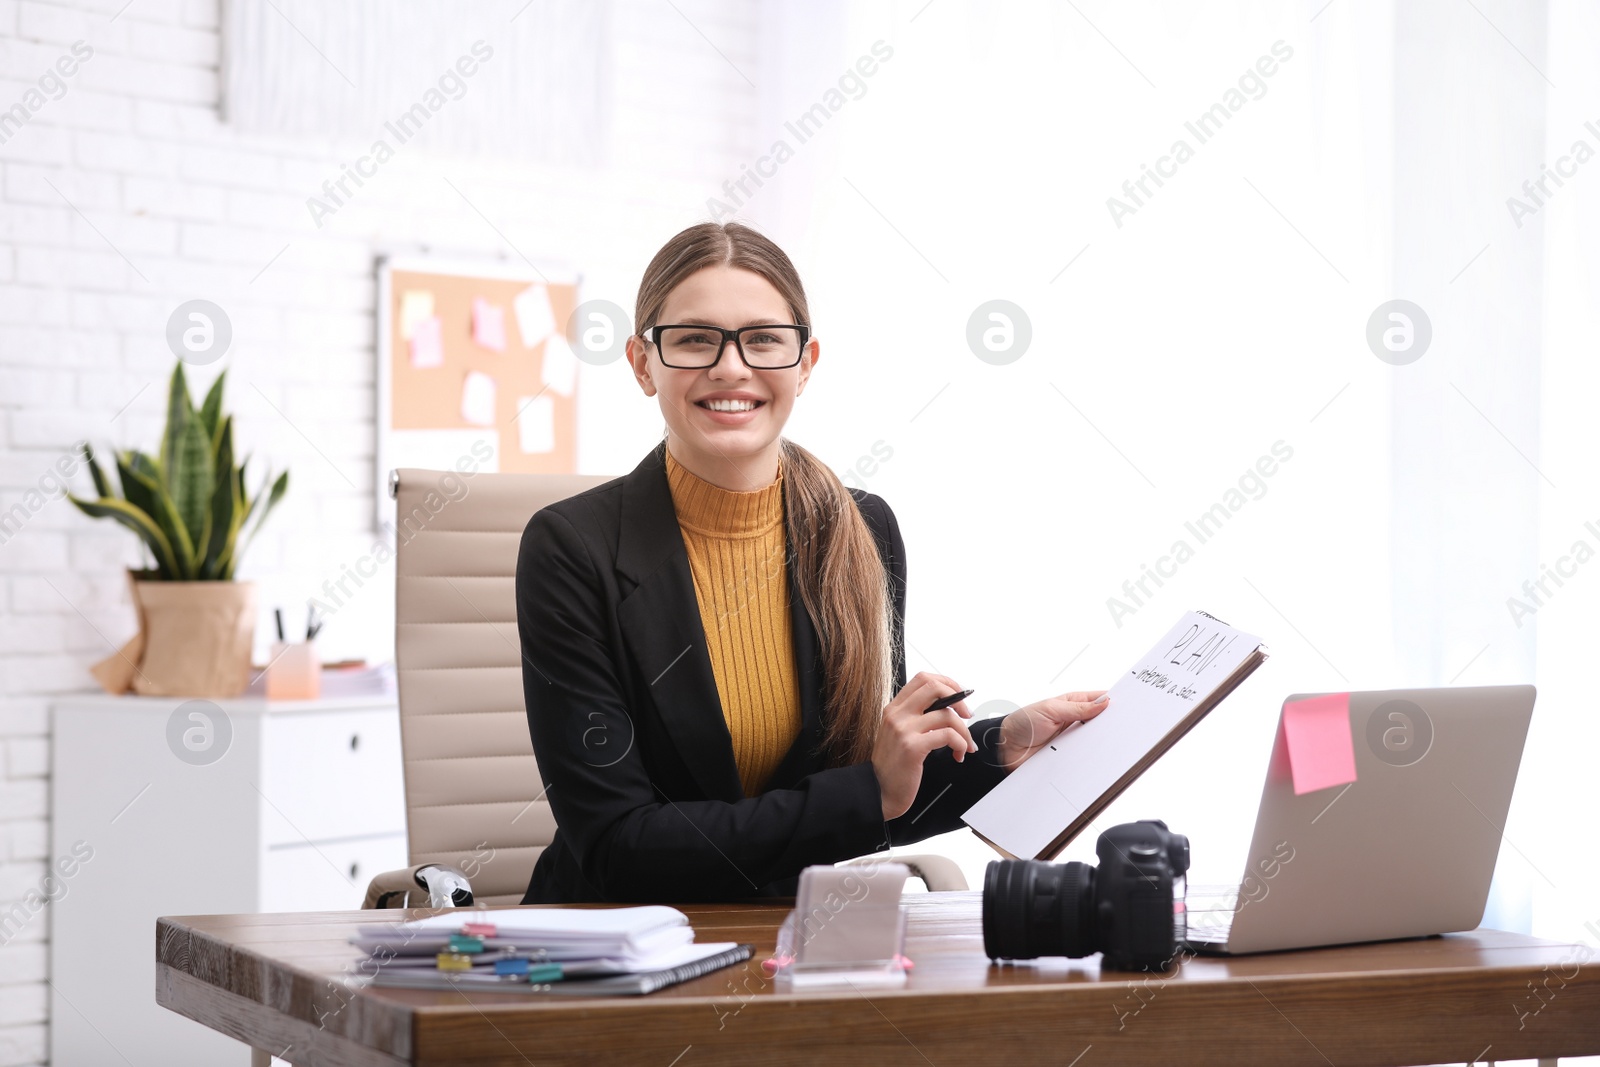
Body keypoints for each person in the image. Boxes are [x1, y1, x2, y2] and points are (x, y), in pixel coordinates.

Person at [516, 221, 1109, 904]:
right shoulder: (570, 548)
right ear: (643, 364)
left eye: (764, 338)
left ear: (805, 362)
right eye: (694, 339)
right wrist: (871, 792)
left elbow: (877, 795)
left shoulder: (860, 529)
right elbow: (619, 845)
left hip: (795, 940)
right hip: (619, 951)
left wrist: (1003, 746)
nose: (731, 367)